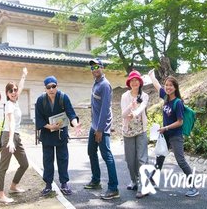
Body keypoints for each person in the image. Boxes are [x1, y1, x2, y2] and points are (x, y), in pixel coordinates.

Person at [148, 69, 199, 197]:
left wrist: (166, 128)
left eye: (171, 85)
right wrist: (151, 76)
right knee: (159, 158)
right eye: (167, 85)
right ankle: (151, 182)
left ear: (175, 87)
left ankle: (193, 187)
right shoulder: (165, 97)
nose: (168, 87)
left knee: (181, 161)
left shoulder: (178, 103)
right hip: (165, 134)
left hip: (175, 135)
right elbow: (157, 86)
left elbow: (180, 122)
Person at [35, 75, 81, 196]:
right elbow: (38, 118)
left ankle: (64, 183)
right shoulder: (41, 100)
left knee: (63, 159)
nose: (51, 89)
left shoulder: (63, 97)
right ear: (45, 88)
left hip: (61, 134)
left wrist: (75, 124)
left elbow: (71, 113)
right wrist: (50, 127)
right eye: (48, 87)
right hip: (47, 133)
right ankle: (48, 184)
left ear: (57, 86)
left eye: (53, 86)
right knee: (47, 160)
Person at [84, 58, 119, 200]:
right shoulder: (96, 83)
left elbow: (105, 109)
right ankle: (96, 180)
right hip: (94, 125)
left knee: (107, 156)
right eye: (92, 68)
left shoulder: (105, 85)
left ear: (102, 67)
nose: (94, 69)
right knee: (91, 151)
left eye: (97, 67)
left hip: (101, 127)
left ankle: (113, 188)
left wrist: (100, 129)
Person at [0, 68, 29, 204]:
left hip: (16, 136)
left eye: (15, 90)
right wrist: (10, 140)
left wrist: (23, 75)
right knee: (3, 167)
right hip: (8, 136)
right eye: (11, 91)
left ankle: (13, 186)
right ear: (7, 94)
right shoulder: (9, 105)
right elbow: (11, 122)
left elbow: (20, 87)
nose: (14, 92)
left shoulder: (15, 101)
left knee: (24, 164)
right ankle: (0, 194)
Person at [121, 70, 149, 198]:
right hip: (128, 131)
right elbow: (123, 114)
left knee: (142, 159)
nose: (134, 82)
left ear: (140, 82)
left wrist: (135, 112)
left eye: (136, 80)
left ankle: (144, 186)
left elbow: (142, 106)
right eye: (132, 80)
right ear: (129, 83)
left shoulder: (145, 95)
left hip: (141, 130)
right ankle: (134, 180)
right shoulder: (124, 96)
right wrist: (130, 107)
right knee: (130, 160)